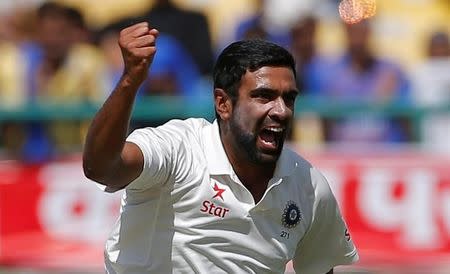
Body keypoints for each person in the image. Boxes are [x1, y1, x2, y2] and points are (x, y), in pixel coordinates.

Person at [83, 22, 359, 274]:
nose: (281, 110)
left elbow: (320, 269)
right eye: (263, 96)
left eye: (289, 99)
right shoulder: (180, 148)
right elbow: (102, 168)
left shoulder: (308, 185)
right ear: (223, 104)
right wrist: (130, 80)